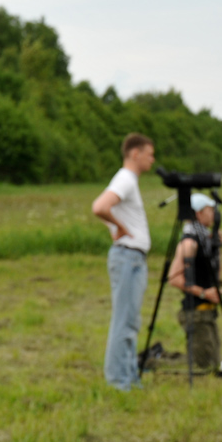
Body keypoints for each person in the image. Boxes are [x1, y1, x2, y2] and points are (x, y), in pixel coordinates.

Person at [91, 133, 155, 391]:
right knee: (124, 321)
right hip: (128, 257)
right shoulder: (126, 179)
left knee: (130, 320)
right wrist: (121, 229)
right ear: (135, 153)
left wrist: (116, 226)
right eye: (150, 153)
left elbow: (107, 210)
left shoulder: (127, 180)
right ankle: (119, 381)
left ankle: (129, 377)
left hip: (132, 258)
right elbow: (100, 206)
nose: (153, 159)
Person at [169, 192, 222, 372]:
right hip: (196, 312)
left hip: (208, 312)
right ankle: (152, 360)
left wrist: (218, 248)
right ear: (198, 213)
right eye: (210, 210)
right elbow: (174, 278)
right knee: (203, 366)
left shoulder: (206, 239)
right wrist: (203, 293)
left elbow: (216, 275)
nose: (214, 214)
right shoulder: (189, 243)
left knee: (213, 362)